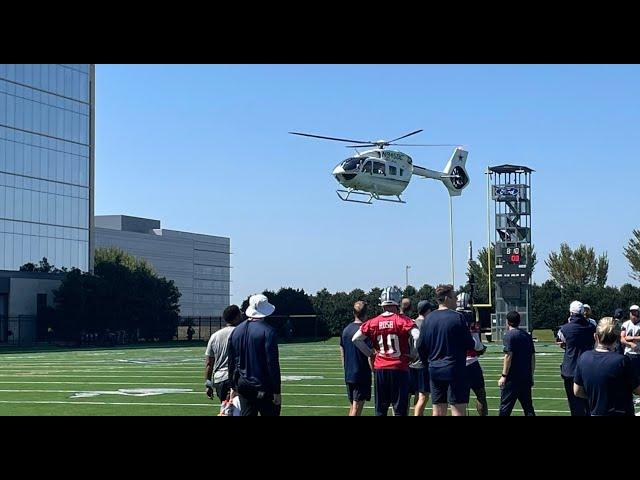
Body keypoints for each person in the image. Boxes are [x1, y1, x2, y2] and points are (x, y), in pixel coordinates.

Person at [352, 286, 419, 416]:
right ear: (397, 302)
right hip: (399, 368)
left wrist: (371, 354)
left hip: (381, 369)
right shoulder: (403, 320)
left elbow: (355, 339)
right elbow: (418, 336)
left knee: (380, 410)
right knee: (399, 410)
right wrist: (414, 355)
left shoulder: (373, 322)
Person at [417, 284, 475, 416]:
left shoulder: (428, 319)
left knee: (437, 409)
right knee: (457, 408)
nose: (456, 300)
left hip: (435, 369)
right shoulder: (458, 317)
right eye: (454, 297)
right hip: (454, 369)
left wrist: (428, 363)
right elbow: (469, 344)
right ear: (447, 298)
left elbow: (420, 346)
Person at [573, 317, 640, 416]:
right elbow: (637, 390)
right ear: (617, 339)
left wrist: (598, 398)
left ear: (596, 337)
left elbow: (577, 391)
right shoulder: (621, 361)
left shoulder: (584, 358)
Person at [228, 294, 282, 416]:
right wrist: (277, 390)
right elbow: (272, 363)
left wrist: (233, 386)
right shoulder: (268, 331)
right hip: (263, 385)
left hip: (243, 385)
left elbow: (231, 363)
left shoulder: (236, 331)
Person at [557, 300, 596, 416]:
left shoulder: (565, 328)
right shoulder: (592, 327)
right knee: (588, 402)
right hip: (588, 367)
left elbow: (562, 341)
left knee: (574, 405)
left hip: (570, 368)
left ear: (571, 313)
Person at [498, 311, 536, 416]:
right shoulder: (527, 336)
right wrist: (531, 375)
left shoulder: (509, 335)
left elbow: (508, 356)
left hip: (512, 378)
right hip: (525, 376)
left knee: (505, 408)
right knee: (528, 408)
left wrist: (503, 376)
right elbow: (532, 357)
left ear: (507, 322)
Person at [457, 293, 488, 416]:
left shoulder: (450, 317)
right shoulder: (470, 318)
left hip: (455, 363)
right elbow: (476, 344)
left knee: (459, 399)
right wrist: (482, 349)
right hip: (471, 362)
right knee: (480, 394)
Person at [205, 305, 243, 404]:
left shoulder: (214, 336)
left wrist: (208, 384)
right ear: (237, 317)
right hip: (237, 378)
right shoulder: (241, 333)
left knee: (226, 409)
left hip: (219, 379)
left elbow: (209, 363)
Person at [340, 300, 372, 416]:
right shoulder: (365, 330)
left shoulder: (346, 330)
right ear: (366, 313)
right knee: (357, 408)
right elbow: (370, 354)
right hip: (361, 373)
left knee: (353, 406)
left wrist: (346, 368)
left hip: (349, 373)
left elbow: (342, 351)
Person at [408, 300, 433, 416]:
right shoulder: (427, 324)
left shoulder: (411, 323)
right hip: (422, 363)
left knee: (418, 396)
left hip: (412, 363)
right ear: (428, 310)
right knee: (423, 397)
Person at [621, 305, 640, 383]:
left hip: (639, 353)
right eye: (632, 313)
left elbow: (626, 337)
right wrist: (630, 344)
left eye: (635, 313)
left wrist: (631, 338)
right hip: (628, 353)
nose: (633, 315)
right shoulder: (626, 324)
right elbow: (622, 339)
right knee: (628, 376)